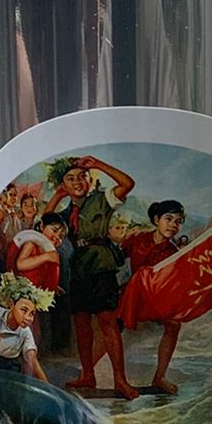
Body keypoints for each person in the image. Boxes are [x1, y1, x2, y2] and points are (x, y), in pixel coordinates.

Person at [45, 154, 139, 399]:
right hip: (78, 270)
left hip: (101, 266)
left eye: (82, 177)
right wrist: (57, 196)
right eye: (70, 178)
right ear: (63, 184)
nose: (77, 182)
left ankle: (120, 380)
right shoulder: (66, 213)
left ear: (89, 180)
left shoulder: (102, 199)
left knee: (108, 323)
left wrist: (98, 164)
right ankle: (88, 375)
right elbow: (44, 224)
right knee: (82, 324)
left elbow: (128, 183)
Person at [122, 199, 188, 394]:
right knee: (111, 322)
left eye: (178, 221)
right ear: (157, 219)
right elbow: (117, 255)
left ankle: (159, 377)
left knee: (174, 324)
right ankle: (89, 372)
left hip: (154, 299)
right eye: (169, 219)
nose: (173, 225)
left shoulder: (174, 252)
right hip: (132, 295)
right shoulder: (138, 239)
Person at [0, 274, 51, 384]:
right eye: (24, 310)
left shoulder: (25, 332)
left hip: (12, 367)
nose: (28, 318)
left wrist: (46, 386)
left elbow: (32, 360)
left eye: (32, 314)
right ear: (11, 305)